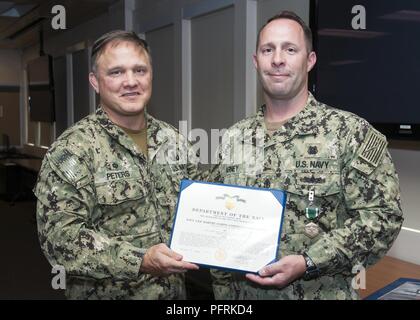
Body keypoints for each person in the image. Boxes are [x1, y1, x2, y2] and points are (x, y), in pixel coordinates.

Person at [208, 11, 403, 299]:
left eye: (290, 49)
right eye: (268, 50)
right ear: (255, 61)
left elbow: (383, 218)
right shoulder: (235, 137)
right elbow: (220, 226)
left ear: (309, 60)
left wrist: (309, 261)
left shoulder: (350, 133)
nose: (277, 59)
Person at [34, 30, 200, 299]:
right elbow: (59, 240)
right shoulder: (73, 150)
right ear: (95, 82)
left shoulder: (175, 141)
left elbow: (198, 209)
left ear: (151, 75)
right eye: (116, 72)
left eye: (139, 70)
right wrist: (140, 259)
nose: (131, 81)